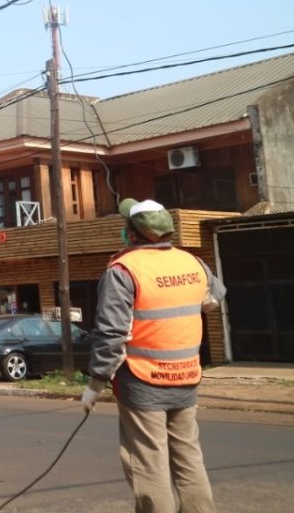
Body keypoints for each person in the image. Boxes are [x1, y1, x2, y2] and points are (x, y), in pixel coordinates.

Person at [83, 198, 226, 513]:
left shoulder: (123, 270)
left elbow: (111, 334)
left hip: (143, 380)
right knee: (189, 457)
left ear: (132, 233)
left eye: (126, 225)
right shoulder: (193, 262)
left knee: (149, 463)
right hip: (187, 375)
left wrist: (95, 383)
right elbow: (213, 299)